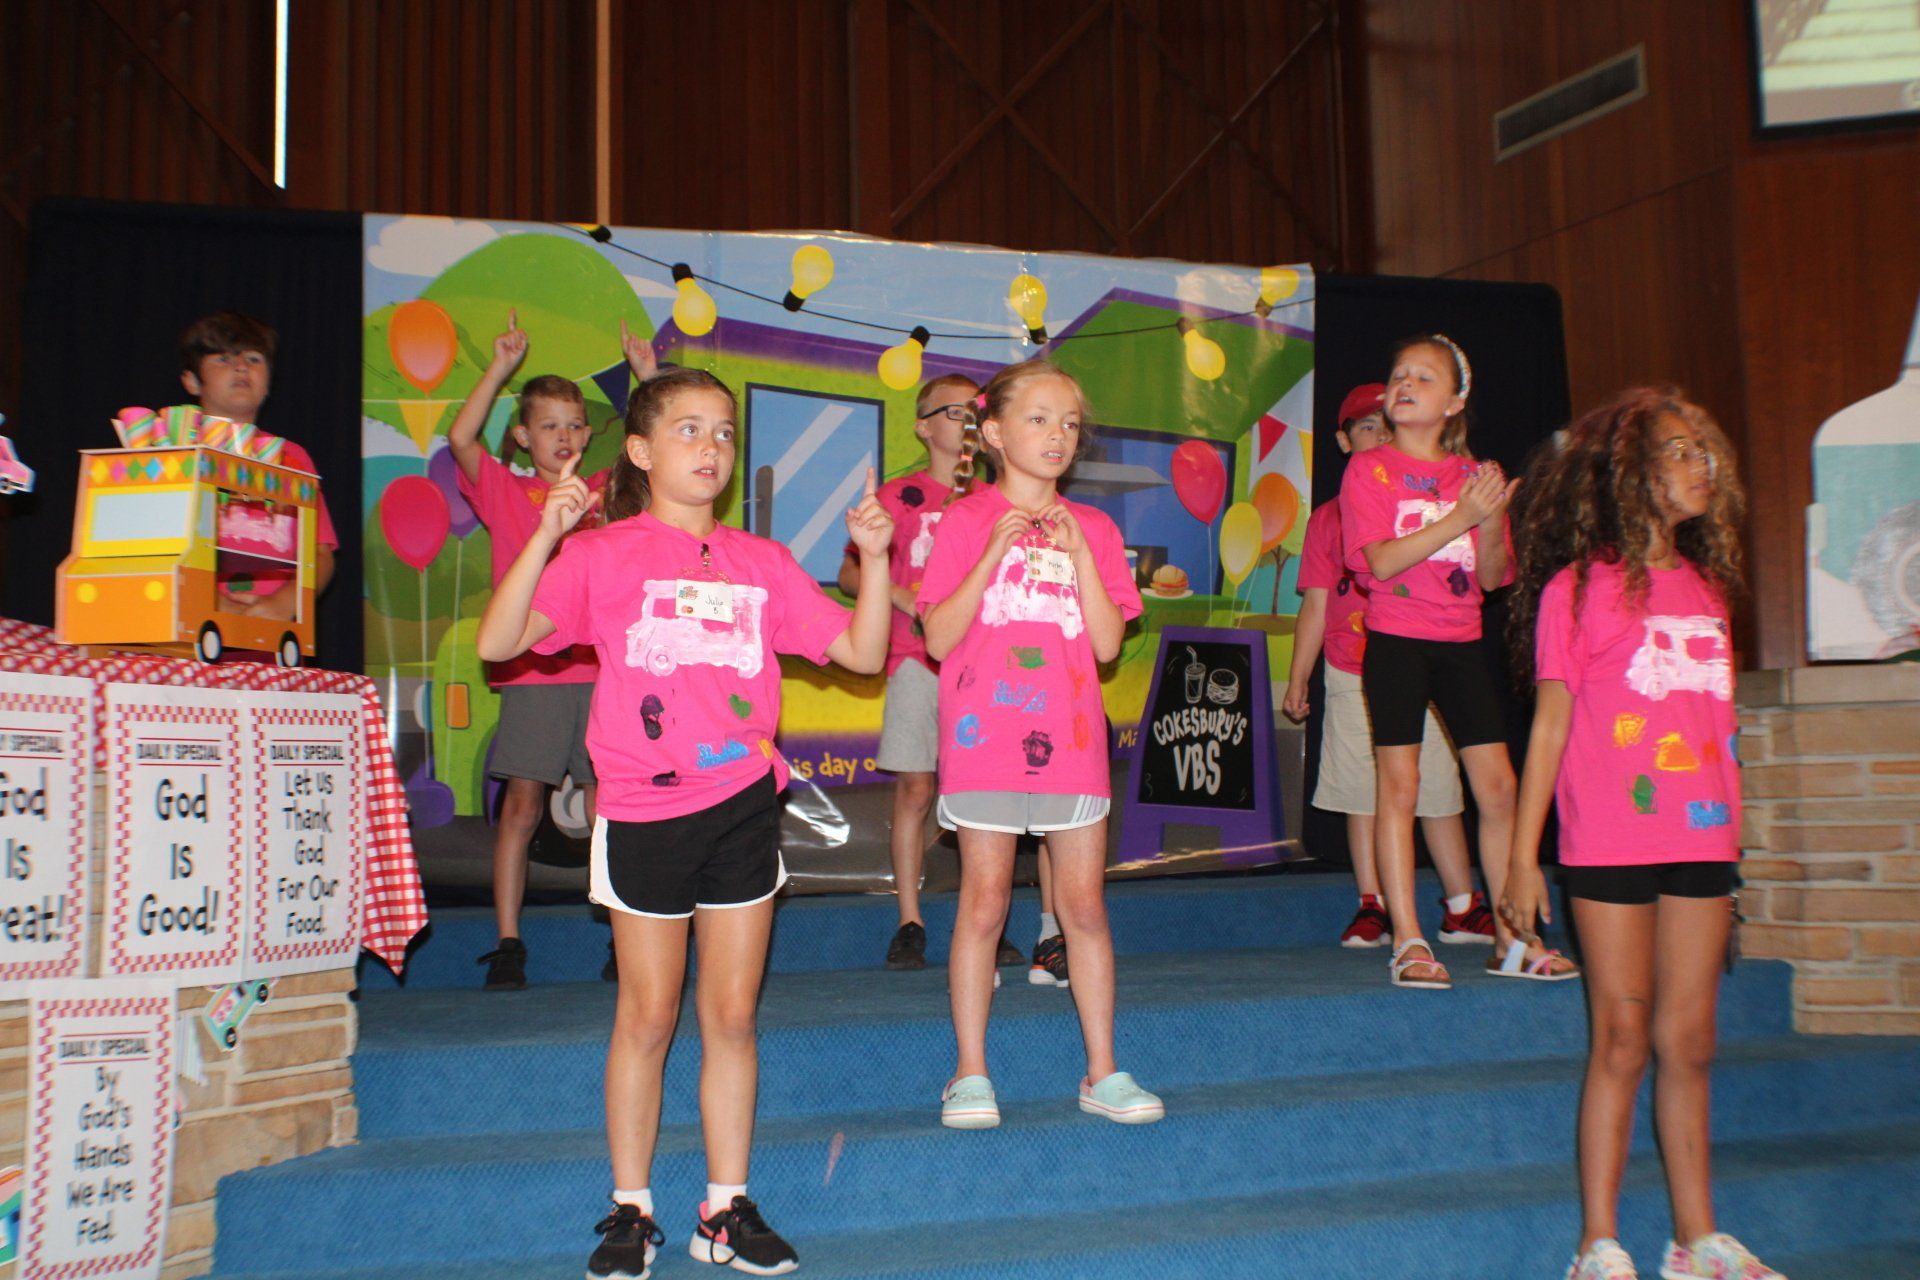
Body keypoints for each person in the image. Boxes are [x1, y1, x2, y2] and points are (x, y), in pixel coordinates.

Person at [476, 366, 894, 1278]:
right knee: (648, 1015)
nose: (711, 449)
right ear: (641, 450)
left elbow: (864, 653)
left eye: (725, 433)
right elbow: (498, 643)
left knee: (731, 1016)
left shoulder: (764, 563)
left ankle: (725, 1207)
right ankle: (630, 1211)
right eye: (690, 430)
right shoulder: (603, 553)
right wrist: (547, 535)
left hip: (743, 807)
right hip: (646, 811)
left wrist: (876, 559)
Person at [1504, 390, 1776, 1280]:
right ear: (1632, 474)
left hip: (1702, 840)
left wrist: (1736, 833)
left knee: (1690, 1040)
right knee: (1620, 1041)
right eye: (1680, 451)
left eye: (1705, 451)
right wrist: (1521, 859)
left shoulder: (1704, 590)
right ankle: (1599, 1242)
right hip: (1610, 842)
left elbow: (1712, 723)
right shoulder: (1576, 591)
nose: (1701, 465)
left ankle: (1698, 1240)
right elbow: (1548, 728)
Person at [918, 358, 1161, 1129]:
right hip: (985, 737)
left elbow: (1107, 643)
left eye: (1069, 424)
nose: (1057, 435)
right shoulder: (963, 520)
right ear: (991, 433)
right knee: (984, 901)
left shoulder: (1094, 526)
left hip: (1073, 739)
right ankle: (969, 1073)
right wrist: (992, 552)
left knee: (1083, 906)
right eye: (1038, 419)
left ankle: (1102, 1070)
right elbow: (936, 634)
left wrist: (1085, 557)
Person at [1338, 334, 1575, 989]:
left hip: (1461, 642)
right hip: (1397, 644)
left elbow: (1494, 577)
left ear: (1455, 400)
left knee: (1498, 788)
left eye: (1424, 377)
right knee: (1401, 787)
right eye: (1398, 375)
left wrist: (1492, 518)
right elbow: (1378, 561)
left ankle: (1513, 939)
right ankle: (1410, 939)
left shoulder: (1473, 477)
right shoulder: (1370, 469)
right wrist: (1459, 517)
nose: (1405, 384)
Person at [449, 312, 654, 990]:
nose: (562, 436)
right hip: (533, 671)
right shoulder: (506, 488)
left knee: (610, 803)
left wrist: (647, 376)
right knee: (522, 805)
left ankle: (626, 936)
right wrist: (500, 366)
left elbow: (656, 447)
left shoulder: (604, 491)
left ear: (590, 434)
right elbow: (460, 435)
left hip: (601, 669)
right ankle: (508, 941)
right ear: (523, 435)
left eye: (573, 424)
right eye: (548, 425)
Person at [840, 373, 1053, 980]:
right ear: (923, 424)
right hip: (918, 658)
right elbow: (853, 576)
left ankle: (990, 922)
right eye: (948, 410)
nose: (961, 420)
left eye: (971, 410)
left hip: (990, 668)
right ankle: (910, 920)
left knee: (995, 795)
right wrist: (911, 600)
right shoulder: (900, 495)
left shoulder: (999, 496)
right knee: (915, 789)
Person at [1283, 383, 1492, 949]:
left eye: (1385, 425)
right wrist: (1301, 674)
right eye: (1365, 427)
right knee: (1362, 790)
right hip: (1353, 665)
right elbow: (1318, 602)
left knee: (1440, 787)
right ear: (1344, 441)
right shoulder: (1328, 518)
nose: (1377, 435)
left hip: (1424, 656)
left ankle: (1463, 904)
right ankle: (1372, 903)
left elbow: (1481, 569)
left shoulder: (1428, 499)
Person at [178, 311, 338, 618]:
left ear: (269, 382)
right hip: (190, 633)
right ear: (192, 381)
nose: (241, 367)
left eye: (254, 359)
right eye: (223, 359)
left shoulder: (292, 458)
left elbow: (321, 553)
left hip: (271, 636)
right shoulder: (174, 451)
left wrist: (284, 604)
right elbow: (148, 548)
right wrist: (205, 599)